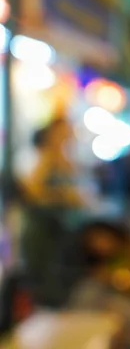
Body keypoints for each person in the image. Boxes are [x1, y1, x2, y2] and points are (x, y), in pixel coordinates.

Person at [20, 118, 85, 308]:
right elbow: (32, 193)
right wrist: (62, 196)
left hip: (59, 231)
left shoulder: (64, 159)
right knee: (47, 284)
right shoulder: (45, 158)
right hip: (44, 231)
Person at [68, 221, 130, 348]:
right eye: (93, 240)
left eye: (103, 238)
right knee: (88, 292)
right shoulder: (96, 265)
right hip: (100, 310)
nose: (99, 244)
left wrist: (116, 280)